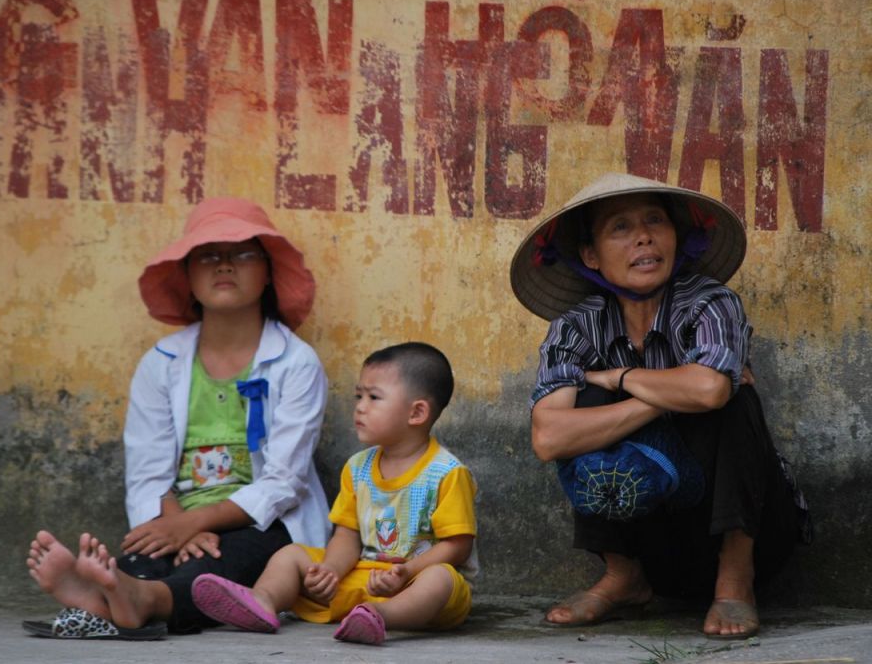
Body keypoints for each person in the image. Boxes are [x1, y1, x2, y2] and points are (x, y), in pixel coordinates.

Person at [509, 173, 805, 639]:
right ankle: (624, 576)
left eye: (654, 221)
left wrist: (624, 378)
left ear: (674, 237)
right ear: (591, 256)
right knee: (588, 400)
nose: (643, 235)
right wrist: (668, 395)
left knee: (736, 401)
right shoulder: (575, 327)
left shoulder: (712, 302)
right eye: (620, 228)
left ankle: (734, 581)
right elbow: (549, 437)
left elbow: (712, 394)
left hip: (747, 530)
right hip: (654, 542)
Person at [25, 197, 331, 637]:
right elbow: (148, 468)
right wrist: (176, 523)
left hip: (263, 522)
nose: (224, 265)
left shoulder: (296, 362)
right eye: (208, 256)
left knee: (221, 566)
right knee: (141, 559)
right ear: (187, 276)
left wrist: (195, 523)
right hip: (174, 518)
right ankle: (120, 592)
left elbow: (283, 482)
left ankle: (138, 600)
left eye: (243, 254)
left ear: (267, 273)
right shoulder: (161, 362)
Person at [187, 342, 477, 646]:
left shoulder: (445, 472)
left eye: (374, 397)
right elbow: (347, 534)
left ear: (417, 412)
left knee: (440, 578)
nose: (360, 407)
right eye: (358, 396)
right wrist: (330, 570)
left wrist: (407, 572)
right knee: (293, 555)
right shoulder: (358, 468)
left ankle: (381, 617)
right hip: (365, 577)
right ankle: (263, 600)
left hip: (418, 585)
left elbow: (457, 545)